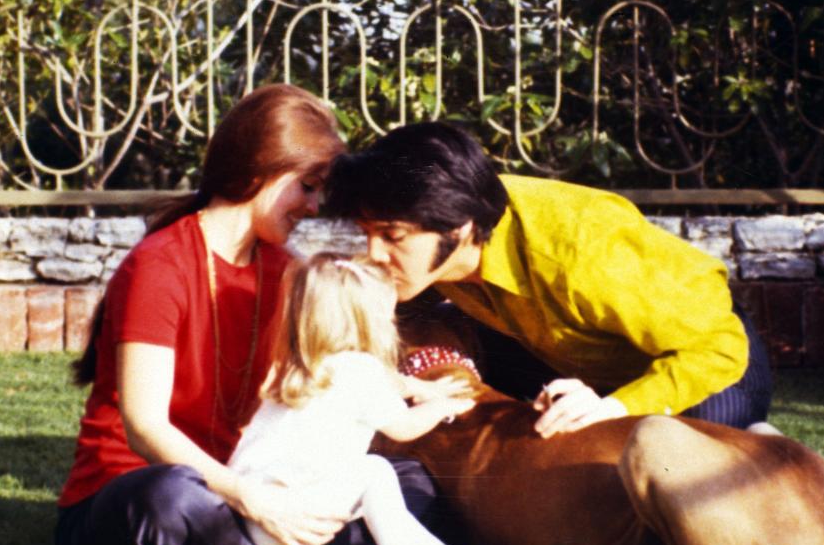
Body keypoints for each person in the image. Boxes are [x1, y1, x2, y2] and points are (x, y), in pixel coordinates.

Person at [54, 85, 443, 545]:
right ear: (262, 170)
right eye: (307, 185)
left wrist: (424, 386)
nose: (313, 205)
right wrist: (251, 499)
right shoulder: (160, 265)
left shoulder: (285, 270)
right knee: (169, 498)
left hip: (246, 499)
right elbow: (144, 429)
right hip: (149, 493)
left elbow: (336, 365)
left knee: (406, 483)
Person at [323, 121, 772, 436]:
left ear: (457, 229)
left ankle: (762, 444)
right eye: (367, 235)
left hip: (706, 352)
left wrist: (614, 408)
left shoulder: (581, 247)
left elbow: (716, 347)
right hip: (566, 356)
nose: (373, 254)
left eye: (391, 236)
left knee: (688, 451)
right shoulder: (435, 248)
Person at [228, 252, 512, 545]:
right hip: (298, 521)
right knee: (374, 472)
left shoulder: (303, 367)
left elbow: (393, 384)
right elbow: (404, 426)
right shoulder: (362, 370)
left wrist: (423, 387)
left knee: (380, 501)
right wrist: (443, 406)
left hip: (255, 514)